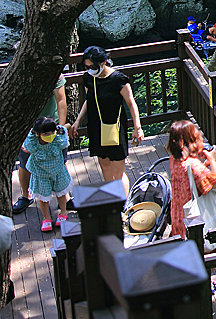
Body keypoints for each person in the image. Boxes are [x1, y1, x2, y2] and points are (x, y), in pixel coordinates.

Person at [71, 46, 144, 193]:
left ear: (103, 62)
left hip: (114, 127)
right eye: (86, 66)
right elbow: (89, 100)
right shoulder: (89, 78)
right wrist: (78, 120)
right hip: (96, 125)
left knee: (118, 171)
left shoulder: (118, 79)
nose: (89, 69)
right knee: (104, 166)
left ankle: (123, 205)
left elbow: (131, 103)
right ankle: (112, 200)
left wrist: (138, 128)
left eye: (92, 66)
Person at [12, 68, 68, 215]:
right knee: (24, 162)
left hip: (50, 124)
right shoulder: (17, 74)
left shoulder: (53, 74)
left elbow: (61, 100)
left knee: (60, 160)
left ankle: (65, 196)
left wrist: (59, 128)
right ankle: (25, 196)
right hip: (27, 127)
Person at [167, 120, 216, 247]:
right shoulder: (193, 165)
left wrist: (203, 164)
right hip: (192, 221)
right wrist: (212, 160)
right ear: (189, 142)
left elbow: (189, 178)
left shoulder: (174, 160)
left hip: (178, 215)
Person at [22, 117, 71, 232]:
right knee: (43, 198)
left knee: (61, 193)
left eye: (52, 132)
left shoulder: (57, 140)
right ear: (38, 134)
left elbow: (64, 139)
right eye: (46, 133)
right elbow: (26, 146)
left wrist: (59, 129)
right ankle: (46, 218)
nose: (50, 135)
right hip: (40, 174)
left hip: (57, 171)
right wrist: (31, 132)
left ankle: (63, 213)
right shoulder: (33, 144)